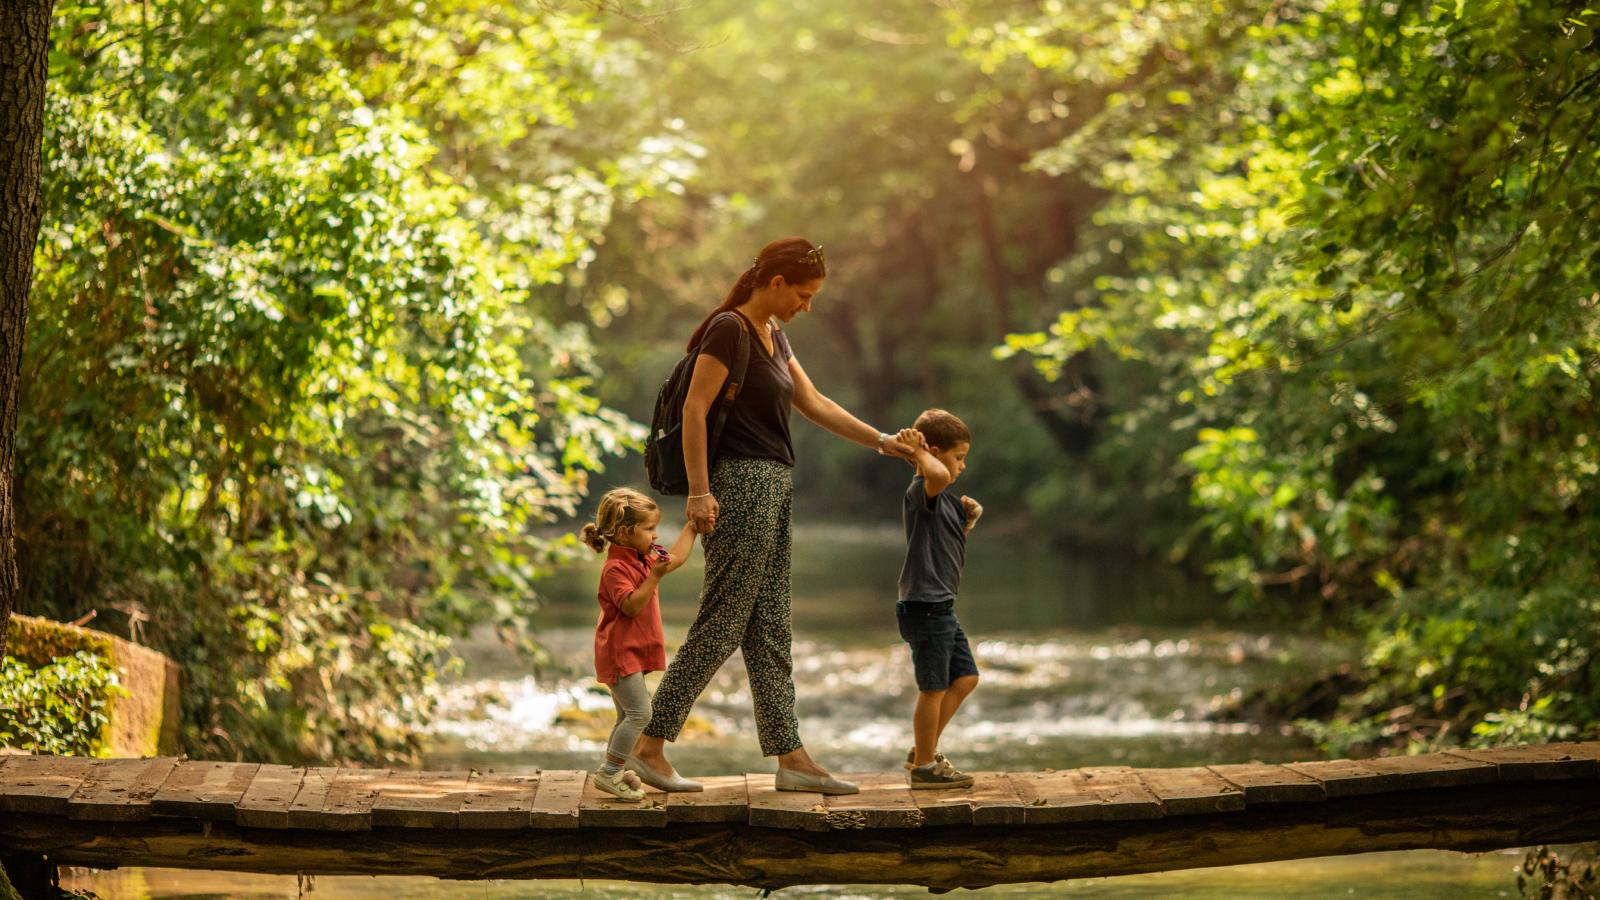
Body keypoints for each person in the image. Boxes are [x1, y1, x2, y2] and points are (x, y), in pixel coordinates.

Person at [627, 237, 917, 796]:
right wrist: (699, 491)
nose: (806, 307)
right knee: (725, 620)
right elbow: (694, 408)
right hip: (738, 485)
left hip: (775, 485)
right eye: (803, 295)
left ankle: (791, 758)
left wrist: (885, 442)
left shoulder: (773, 335)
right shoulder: (729, 329)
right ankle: (648, 746)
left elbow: (814, 402)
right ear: (776, 282)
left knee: (770, 627)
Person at [580, 487, 697, 800]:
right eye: (648, 529)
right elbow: (630, 606)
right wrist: (654, 578)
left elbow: (675, 559)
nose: (655, 536)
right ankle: (608, 773)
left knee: (625, 717)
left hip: (632, 653)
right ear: (623, 533)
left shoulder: (643, 558)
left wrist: (692, 527)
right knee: (640, 716)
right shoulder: (616, 568)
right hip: (620, 654)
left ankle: (613, 771)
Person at [893, 410, 983, 789]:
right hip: (925, 607)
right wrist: (916, 455)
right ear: (933, 451)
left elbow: (944, 543)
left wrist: (969, 521)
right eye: (958, 456)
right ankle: (925, 767)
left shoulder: (943, 499)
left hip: (942, 606)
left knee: (965, 678)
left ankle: (922, 750)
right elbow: (938, 475)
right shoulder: (921, 492)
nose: (961, 466)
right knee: (933, 687)